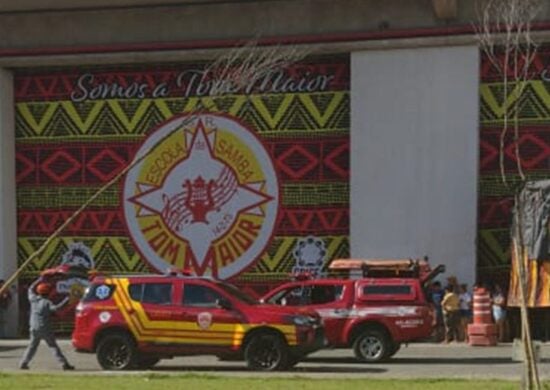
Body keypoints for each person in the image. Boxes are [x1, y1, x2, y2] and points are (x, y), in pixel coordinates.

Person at [19, 278, 74, 370]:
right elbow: (56, 308)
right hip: (45, 328)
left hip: (33, 327)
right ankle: (64, 364)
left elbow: (30, 289)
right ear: (48, 293)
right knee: (53, 346)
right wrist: (66, 299)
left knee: (32, 347)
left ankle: (23, 363)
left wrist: (39, 279)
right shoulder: (47, 303)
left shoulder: (33, 299)